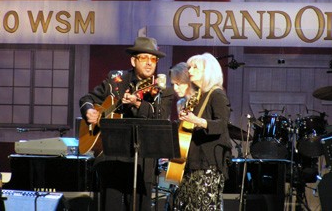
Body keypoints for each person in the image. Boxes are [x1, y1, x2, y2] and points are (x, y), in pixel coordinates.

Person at [79, 36, 174, 211]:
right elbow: (87, 98)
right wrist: (89, 111)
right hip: (111, 158)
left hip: (143, 161)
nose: (149, 63)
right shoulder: (117, 80)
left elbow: (161, 116)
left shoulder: (162, 90)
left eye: (153, 59)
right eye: (144, 58)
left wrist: (137, 104)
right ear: (133, 60)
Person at [173, 53, 233, 211]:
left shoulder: (217, 94)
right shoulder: (197, 97)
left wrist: (197, 120)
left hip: (208, 164)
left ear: (208, 72)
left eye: (195, 68)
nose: (190, 71)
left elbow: (221, 125)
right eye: (189, 67)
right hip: (191, 162)